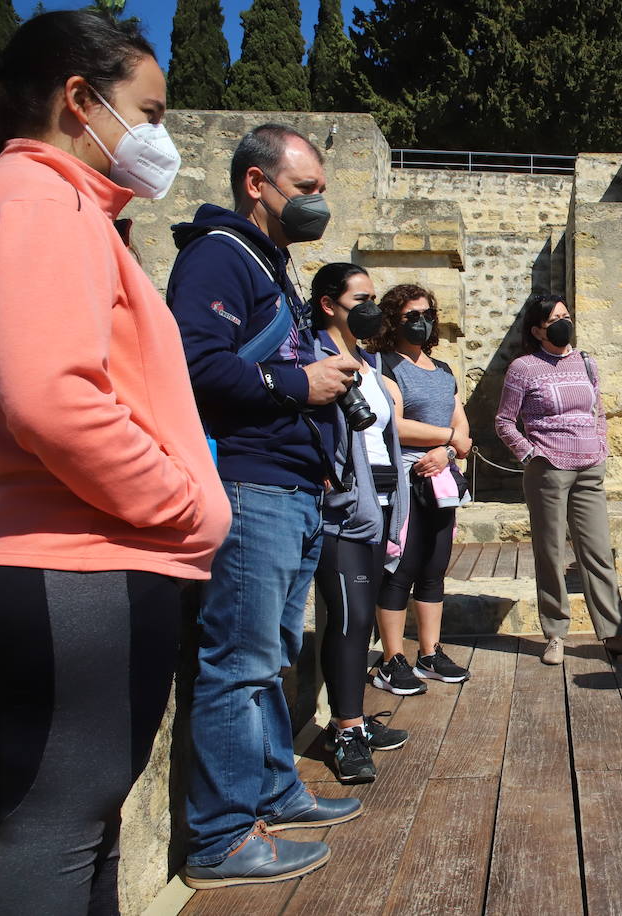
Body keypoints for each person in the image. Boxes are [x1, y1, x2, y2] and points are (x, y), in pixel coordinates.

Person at [0, 12, 230, 912]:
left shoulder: (34, 202)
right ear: (79, 101)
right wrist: (183, 507)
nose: (159, 136)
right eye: (150, 111)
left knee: (67, 833)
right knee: (54, 835)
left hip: (54, 561)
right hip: (73, 564)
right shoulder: (45, 201)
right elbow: (52, 396)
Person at [168, 124, 364, 887]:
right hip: (251, 488)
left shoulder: (271, 265)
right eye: (306, 188)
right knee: (240, 663)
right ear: (258, 183)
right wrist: (297, 385)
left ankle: (274, 792)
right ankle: (219, 837)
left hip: (289, 488)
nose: (318, 203)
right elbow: (195, 363)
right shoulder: (220, 255)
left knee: (273, 657)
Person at [495, 293, 622, 666]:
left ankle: (617, 636)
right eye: (554, 320)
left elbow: (598, 410)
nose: (563, 324)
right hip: (548, 469)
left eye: (566, 316)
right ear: (537, 330)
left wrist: (600, 446)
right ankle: (554, 635)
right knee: (550, 553)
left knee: (598, 554)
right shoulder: (523, 368)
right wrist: (529, 453)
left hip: (589, 469)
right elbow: (504, 421)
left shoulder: (586, 362)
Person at [309, 263, 412, 784]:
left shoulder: (371, 363)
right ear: (329, 305)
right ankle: (345, 730)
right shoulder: (312, 356)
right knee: (349, 620)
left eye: (375, 297)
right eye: (361, 298)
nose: (372, 307)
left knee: (361, 618)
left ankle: (352, 719)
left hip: (380, 504)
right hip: (343, 510)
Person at [368, 284, 472, 693]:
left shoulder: (444, 370)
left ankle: (429, 653)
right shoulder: (383, 366)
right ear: (394, 319)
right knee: (400, 567)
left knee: (434, 567)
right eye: (411, 314)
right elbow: (395, 424)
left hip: (441, 479)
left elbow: (461, 424)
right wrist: (447, 438)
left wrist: (447, 448)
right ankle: (391, 660)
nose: (421, 321)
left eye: (426, 313)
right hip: (406, 480)